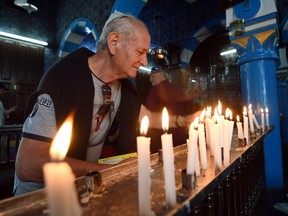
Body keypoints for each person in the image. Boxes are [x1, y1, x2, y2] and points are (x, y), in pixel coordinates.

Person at [14, 12, 200, 195]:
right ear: (114, 42)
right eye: (140, 52)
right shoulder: (62, 80)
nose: (144, 62)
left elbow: (149, 118)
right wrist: (105, 171)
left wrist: (184, 121)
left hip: (80, 187)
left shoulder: (123, 87)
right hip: (39, 198)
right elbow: (29, 165)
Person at [145, 67, 197, 153]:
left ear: (162, 75)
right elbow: (191, 107)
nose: (150, 79)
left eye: (152, 76)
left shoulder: (155, 89)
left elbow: (147, 115)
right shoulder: (177, 89)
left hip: (163, 140)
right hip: (182, 137)